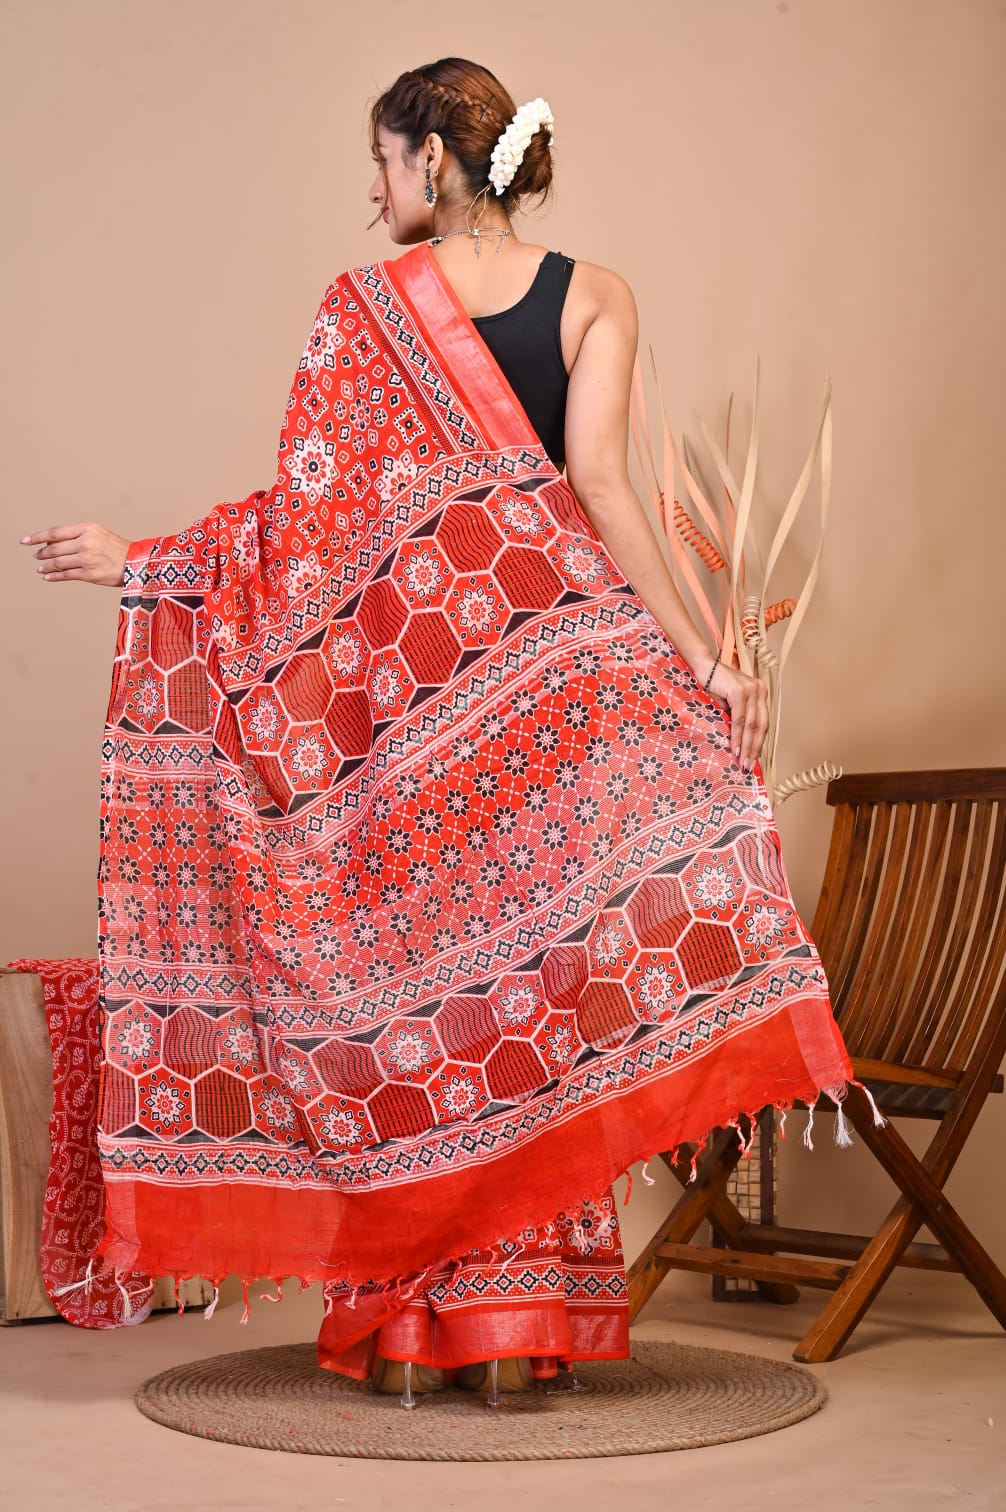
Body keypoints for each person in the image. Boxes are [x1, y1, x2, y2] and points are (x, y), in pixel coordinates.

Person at [21, 58, 852, 1408]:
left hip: (411, 735)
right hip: (558, 712)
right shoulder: (596, 293)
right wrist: (708, 659)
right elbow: (602, 495)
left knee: (429, 1017)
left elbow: (303, 539)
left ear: (432, 156)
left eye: (381, 159)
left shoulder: (361, 309)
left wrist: (152, 566)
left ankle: (422, 1336)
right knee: (532, 1009)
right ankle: (523, 1334)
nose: (371, 189)